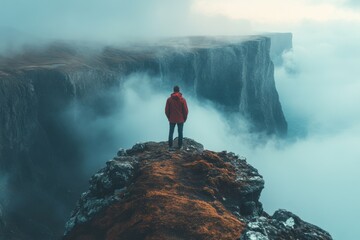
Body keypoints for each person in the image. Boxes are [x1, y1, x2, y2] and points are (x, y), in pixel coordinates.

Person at [165, 85, 188, 150]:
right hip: (180, 119)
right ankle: (180, 146)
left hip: (172, 119)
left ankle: (170, 146)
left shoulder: (169, 100)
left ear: (173, 90)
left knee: (171, 132)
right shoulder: (183, 100)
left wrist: (169, 117)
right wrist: (184, 118)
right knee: (180, 133)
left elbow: (166, 110)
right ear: (179, 90)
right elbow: (186, 110)